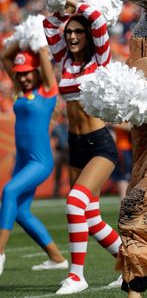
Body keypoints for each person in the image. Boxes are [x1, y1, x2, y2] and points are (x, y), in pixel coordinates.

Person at [43, 0, 122, 295]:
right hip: (75, 144)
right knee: (90, 217)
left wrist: (75, 3)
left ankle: (76, 276)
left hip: (99, 144)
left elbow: (99, 22)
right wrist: (57, 7)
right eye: (69, 32)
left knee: (75, 202)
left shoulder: (99, 60)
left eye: (78, 31)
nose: (72, 36)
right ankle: (130, 261)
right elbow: (49, 26)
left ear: (88, 35)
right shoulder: (64, 60)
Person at [0, 43, 68, 276]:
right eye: (21, 74)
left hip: (39, 162)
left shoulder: (47, 90)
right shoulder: (21, 91)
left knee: (8, 193)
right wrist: (20, 40)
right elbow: (5, 57)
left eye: (28, 72)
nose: (24, 77)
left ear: (37, 71)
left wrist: (35, 41)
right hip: (22, 161)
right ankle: (57, 258)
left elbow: (41, 51)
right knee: (20, 212)